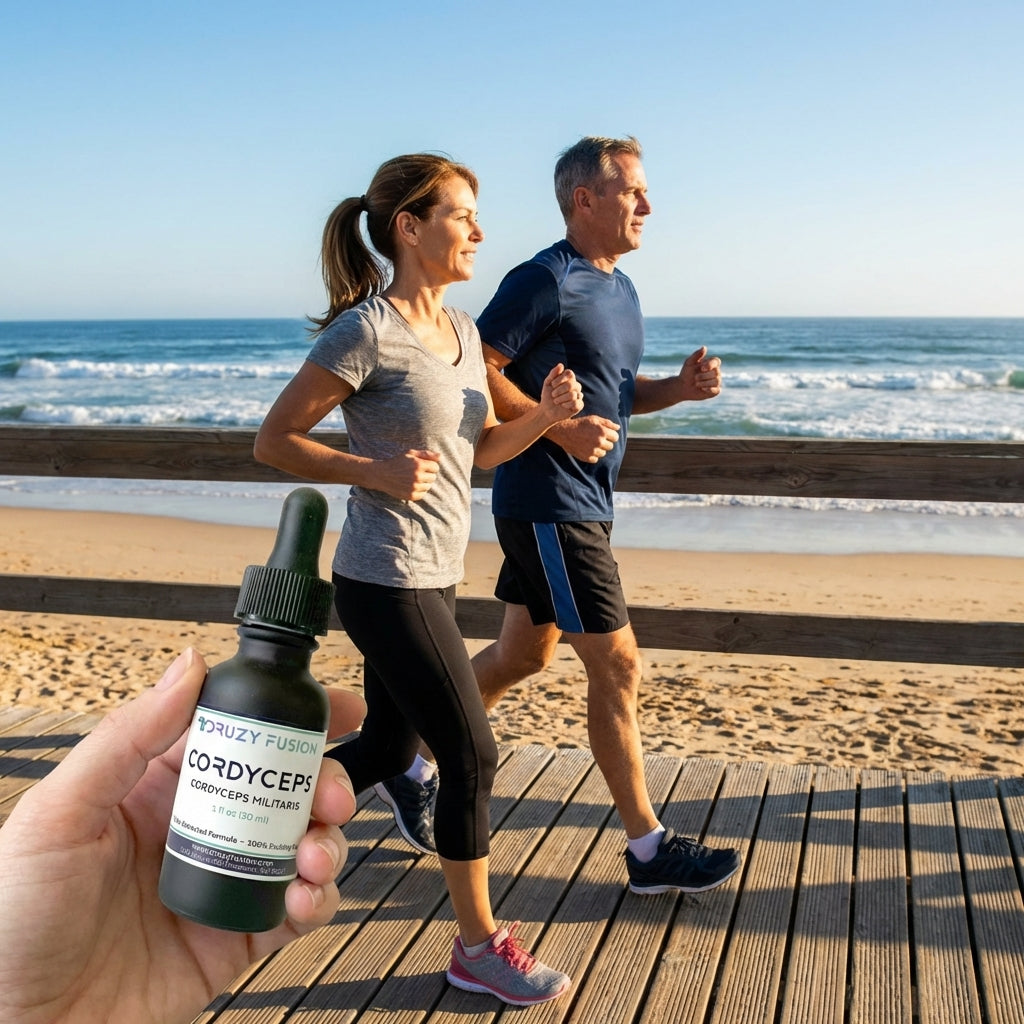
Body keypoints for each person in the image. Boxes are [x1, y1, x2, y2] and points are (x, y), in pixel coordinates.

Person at [253, 154, 582, 1006]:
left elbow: (475, 454)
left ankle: (240, 827)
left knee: (387, 749)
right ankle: (478, 947)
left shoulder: (466, 332)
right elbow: (275, 440)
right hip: (383, 578)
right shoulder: (367, 331)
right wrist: (369, 469)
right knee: (471, 754)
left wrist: (541, 420)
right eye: (462, 214)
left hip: (434, 574)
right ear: (410, 227)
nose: (478, 230)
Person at [380, 136, 741, 895]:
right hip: (551, 507)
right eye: (633, 191)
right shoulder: (547, 277)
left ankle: (406, 761)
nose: (648, 205)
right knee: (618, 664)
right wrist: (555, 427)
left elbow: (612, 389)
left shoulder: (621, 287)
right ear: (586, 199)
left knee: (521, 657)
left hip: (581, 507)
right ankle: (648, 850)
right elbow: (478, 364)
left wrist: (675, 389)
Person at [0, 648, 366, 1024]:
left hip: (175, 936)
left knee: (298, 798)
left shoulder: (268, 694)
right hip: (69, 965)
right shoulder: (231, 685)